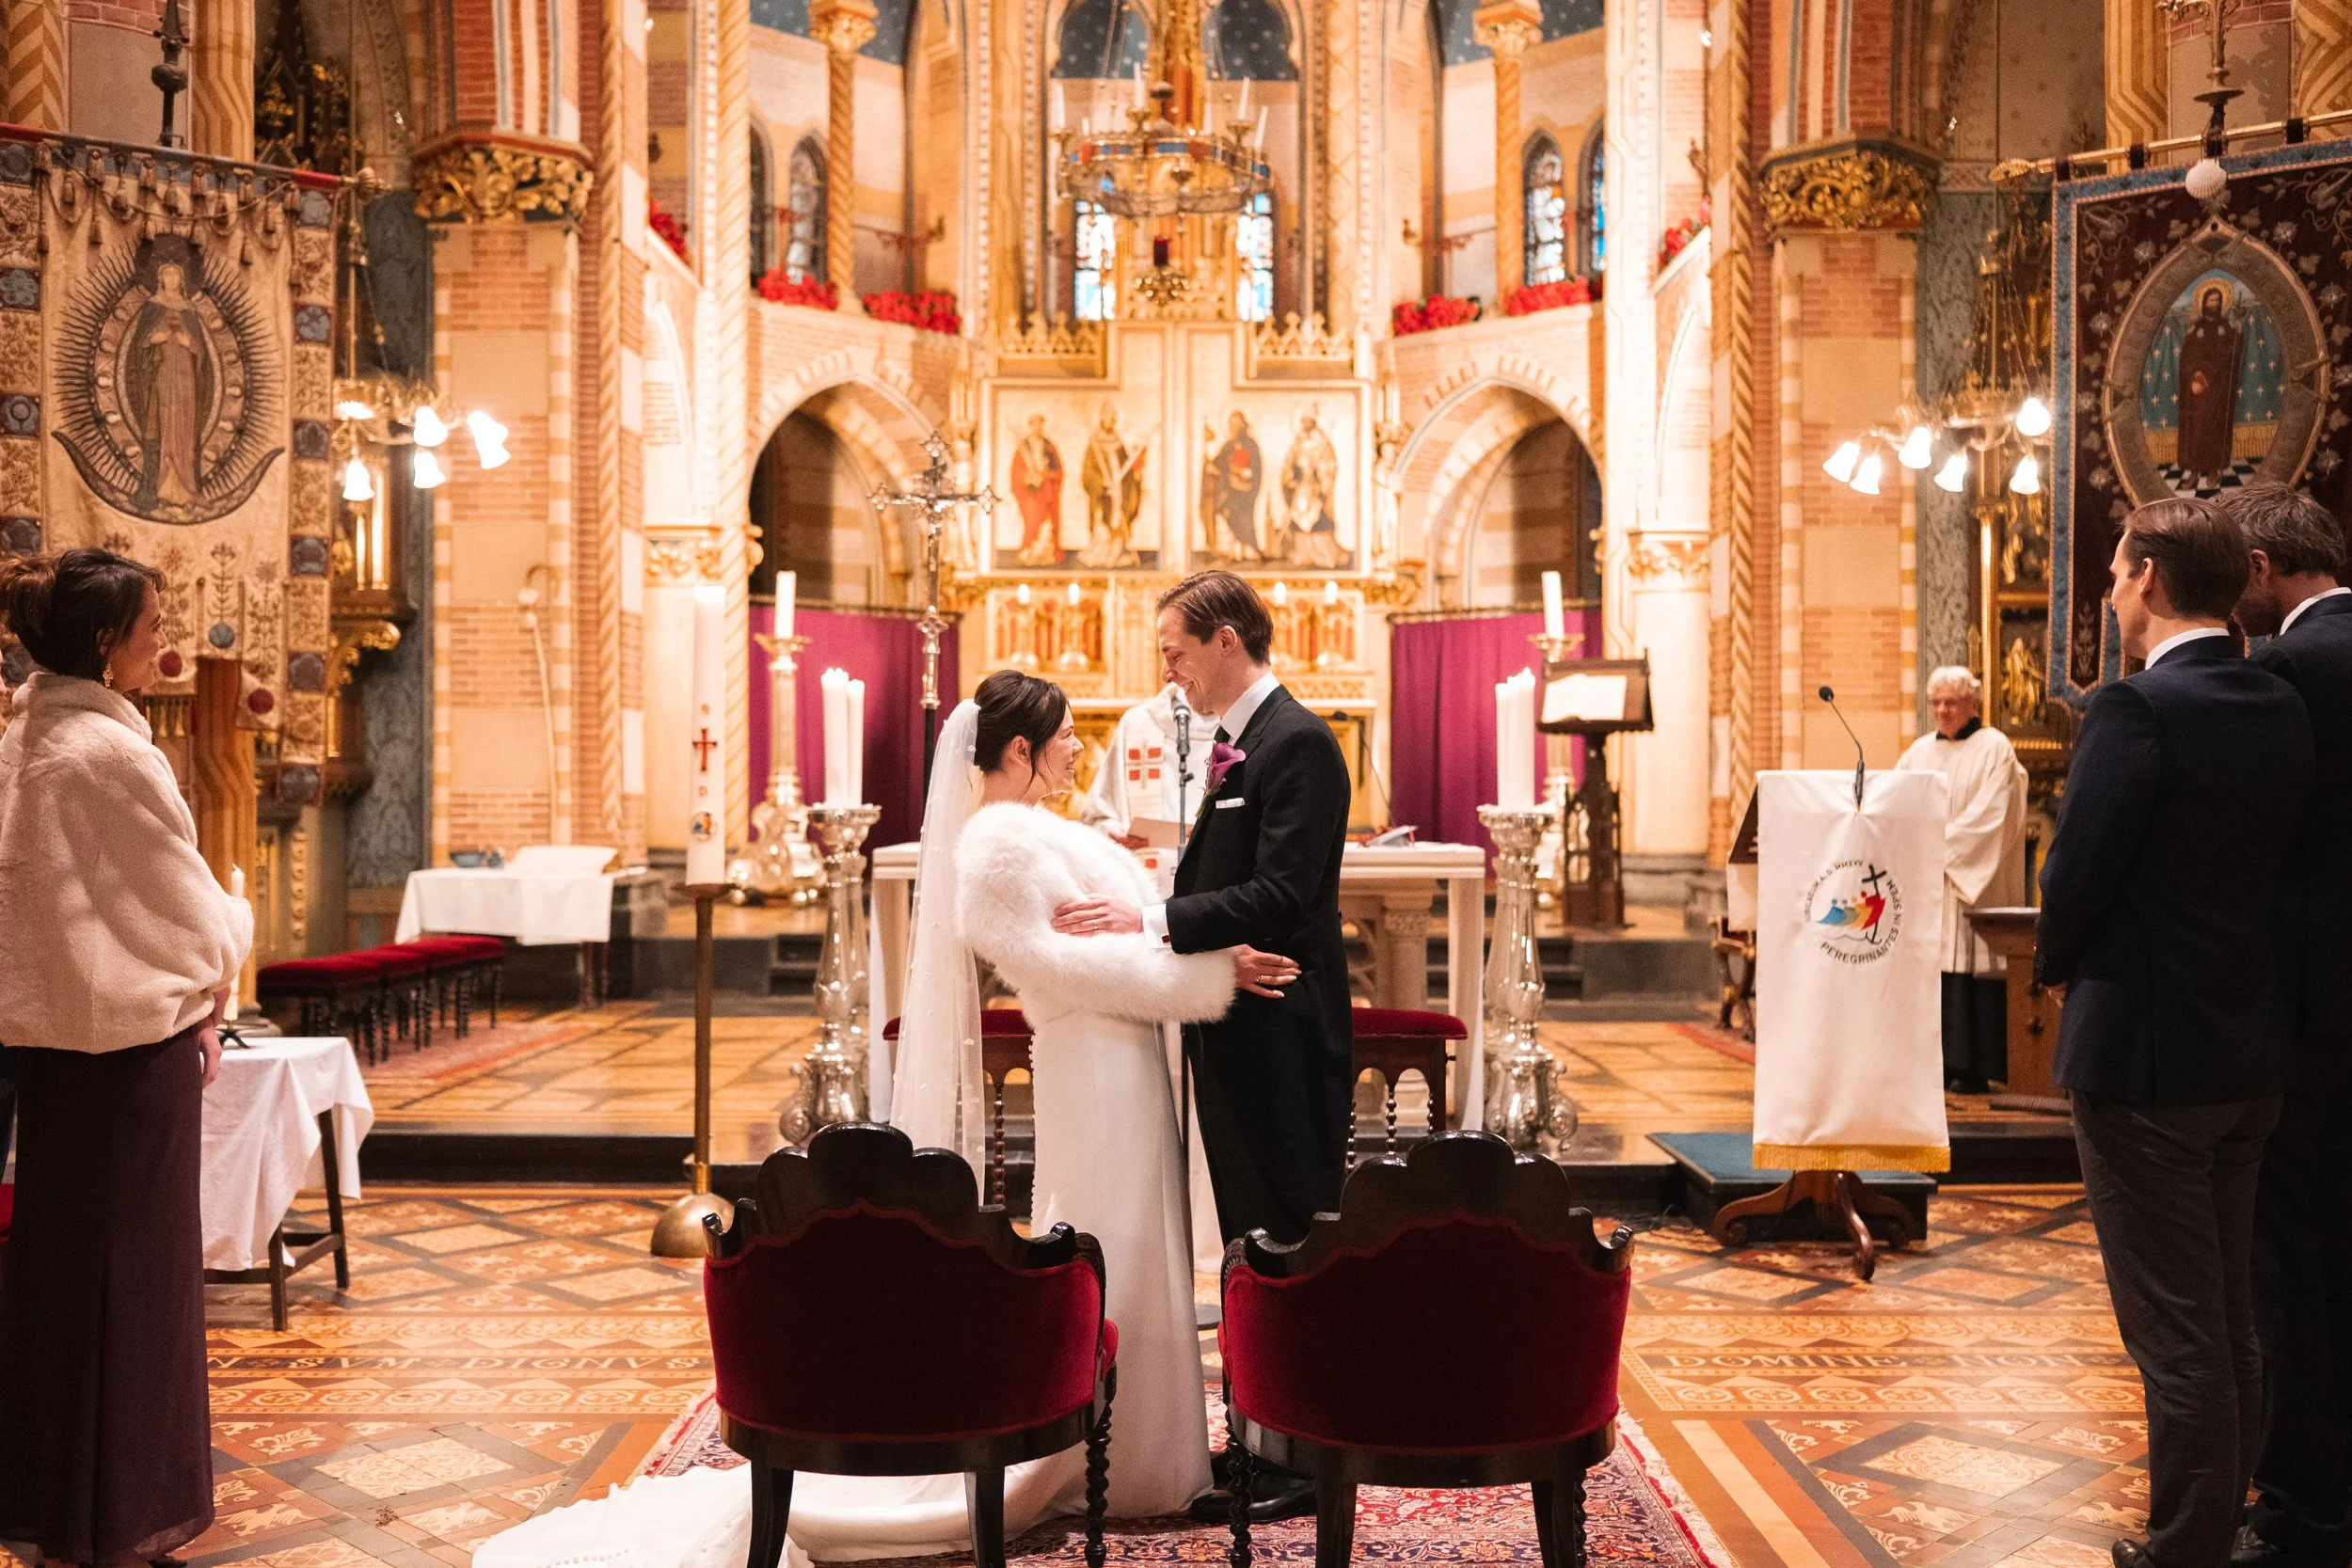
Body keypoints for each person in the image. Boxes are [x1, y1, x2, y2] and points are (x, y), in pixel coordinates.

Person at [475, 672, 1296, 1567]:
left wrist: (1183, 939)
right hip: (1093, 1066)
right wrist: (1213, 979)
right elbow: (1059, 967)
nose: (1076, 749)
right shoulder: (991, 846)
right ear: (1019, 750)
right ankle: (1105, 1457)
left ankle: (1149, 1452)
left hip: (1129, 1062)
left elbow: (1130, 930)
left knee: (1148, 1238)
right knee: (1118, 1237)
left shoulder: (1051, 830)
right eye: (1063, 736)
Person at [2036, 498, 2312, 1568]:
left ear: (2148, 577)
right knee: (2231, 1315)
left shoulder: (2137, 709)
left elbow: (2075, 871)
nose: (2108, 591)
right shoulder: (2273, 698)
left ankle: (2184, 1548)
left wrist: (2056, 966)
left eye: (2112, 573)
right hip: (2248, 1047)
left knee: (2175, 1328)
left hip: (2145, 1056)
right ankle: (2210, 1531)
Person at [1050, 569, 1354, 1526]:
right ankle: (1264, 1442)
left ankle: (1307, 1453)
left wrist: (1148, 917)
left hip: (1284, 1028)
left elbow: (1282, 893)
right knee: (1249, 1242)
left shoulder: (1297, 742)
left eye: (1177, 649)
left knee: (1289, 1236)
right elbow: (1227, 874)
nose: (1169, 670)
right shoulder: (1240, 742)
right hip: (1237, 1020)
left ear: (1227, 639)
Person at [0, 548, 254, 1567]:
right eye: (154, 623)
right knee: (141, 1294)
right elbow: (190, 912)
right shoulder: (107, 753)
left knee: (58, 1287)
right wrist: (219, 959)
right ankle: (121, 1516)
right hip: (128, 1059)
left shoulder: (22, 735)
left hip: (50, 1060)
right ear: (105, 641)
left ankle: (59, 1510)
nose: (167, 640)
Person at [2222, 482, 2352, 1568]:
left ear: (2260, 568)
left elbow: (2254, 849)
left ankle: (2304, 1506)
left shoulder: (2293, 672)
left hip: (2309, 1009)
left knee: (2289, 1255)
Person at [1894, 666, 2027, 1093]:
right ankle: (1936, 1064)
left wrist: (1938, 850)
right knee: (1935, 970)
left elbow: (1990, 816)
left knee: (1971, 967)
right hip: (1928, 886)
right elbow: (1895, 804)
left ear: (1973, 703)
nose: (1943, 710)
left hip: (1972, 884)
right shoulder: (1917, 754)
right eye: (1936, 703)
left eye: (1952, 702)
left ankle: (1974, 1067)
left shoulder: (1994, 749)